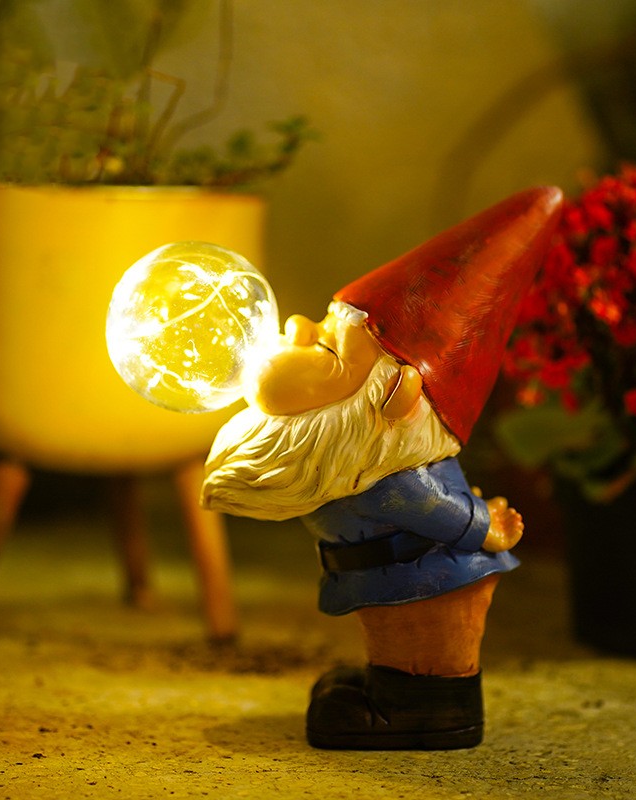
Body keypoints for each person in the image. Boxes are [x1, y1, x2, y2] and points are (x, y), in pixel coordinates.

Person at [202, 186, 563, 749]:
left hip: (426, 578)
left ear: (390, 400)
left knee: (423, 647)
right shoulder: (339, 460)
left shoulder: (385, 476)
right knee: (397, 638)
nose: (296, 325)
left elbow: (432, 507)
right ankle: (393, 688)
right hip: (391, 574)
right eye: (324, 326)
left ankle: (427, 710)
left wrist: (483, 529)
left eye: (327, 348)